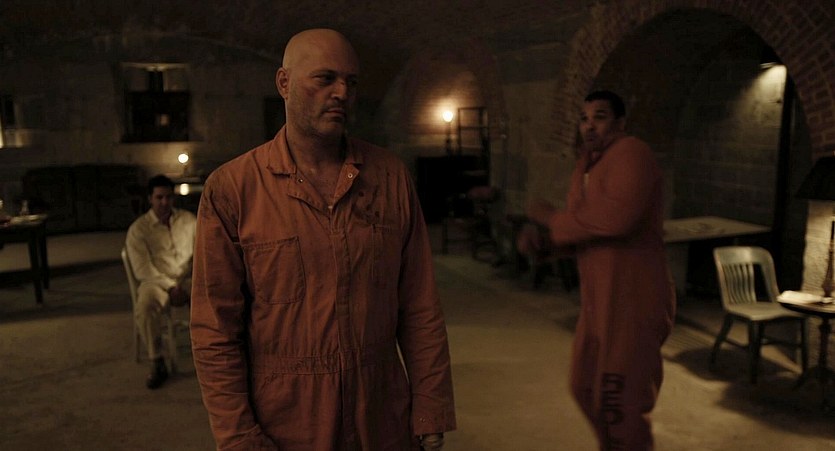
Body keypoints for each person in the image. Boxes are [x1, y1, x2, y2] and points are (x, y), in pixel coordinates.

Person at [190, 28, 456, 450]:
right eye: (325, 78)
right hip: (288, 424)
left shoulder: (390, 178)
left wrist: (430, 405)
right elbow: (215, 330)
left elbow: (420, 304)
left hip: (381, 415)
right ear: (284, 83)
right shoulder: (234, 189)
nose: (342, 93)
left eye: (351, 82)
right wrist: (238, 436)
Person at [518, 90, 675, 450]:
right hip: (598, 303)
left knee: (620, 403)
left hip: (632, 302)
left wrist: (549, 218)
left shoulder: (633, 153)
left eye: (599, 117)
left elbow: (614, 220)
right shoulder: (586, 165)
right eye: (584, 118)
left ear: (620, 122)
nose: (589, 126)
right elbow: (586, 228)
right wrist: (547, 244)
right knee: (585, 387)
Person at [125, 174, 197, 389]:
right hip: (156, 281)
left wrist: (188, 281)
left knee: (218, 294)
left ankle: (214, 350)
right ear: (150, 198)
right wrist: (171, 287)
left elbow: (203, 252)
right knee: (145, 307)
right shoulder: (138, 229)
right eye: (159, 197)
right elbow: (143, 269)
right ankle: (157, 360)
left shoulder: (189, 220)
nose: (165, 202)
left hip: (188, 277)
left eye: (169, 197)